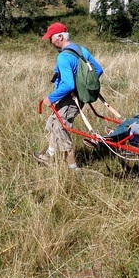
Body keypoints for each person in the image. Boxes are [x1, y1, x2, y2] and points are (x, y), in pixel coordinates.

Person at [33, 22, 103, 171]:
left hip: (70, 99)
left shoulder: (64, 57)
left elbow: (68, 84)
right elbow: (98, 70)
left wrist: (50, 98)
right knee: (54, 121)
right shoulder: (81, 49)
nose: (50, 42)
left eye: (51, 38)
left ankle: (73, 169)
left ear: (59, 37)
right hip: (76, 97)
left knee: (61, 129)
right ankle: (49, 156)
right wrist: (83, 88)